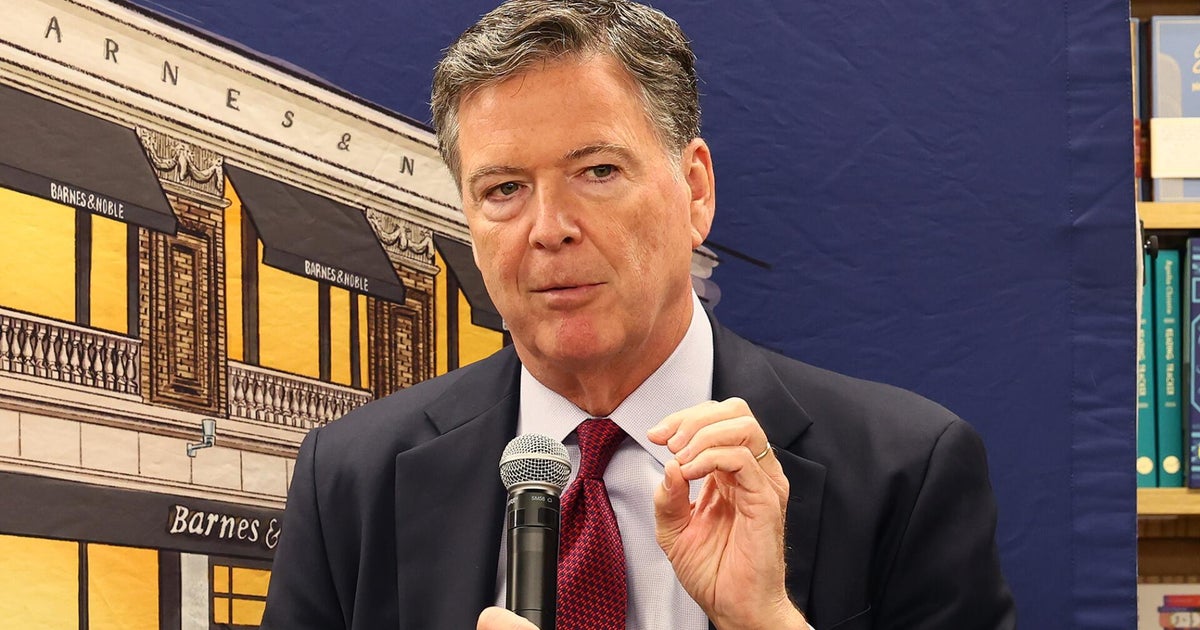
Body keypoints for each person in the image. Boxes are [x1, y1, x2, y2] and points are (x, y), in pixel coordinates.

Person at [260, 1, 1016, 628]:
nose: (549, 228)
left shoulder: (904, 471)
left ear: (696, 192)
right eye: (504, 190)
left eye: (597, 171)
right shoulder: (349, 481)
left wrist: (768, 623)